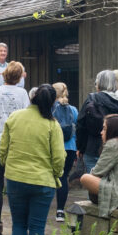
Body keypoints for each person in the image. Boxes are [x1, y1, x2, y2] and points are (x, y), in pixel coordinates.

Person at [0, 84, 65, 235]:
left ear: (33, 97)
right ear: (52, 102)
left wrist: (8, 165)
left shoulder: (15, 117)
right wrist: (56, 174)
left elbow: (3, 149)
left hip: (16, 178)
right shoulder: (52, 124)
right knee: (37, 226)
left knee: (18, 224)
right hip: (43, 181)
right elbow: (59, 158)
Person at [0, 61, 30, 235]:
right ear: (19, 77)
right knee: (16, 181)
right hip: (17, 141)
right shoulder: (23, 93)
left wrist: (0, 125)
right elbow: (27, 116)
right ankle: (19, 222)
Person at [76, 70, 118, 174]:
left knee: (94, 182)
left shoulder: (92, 99)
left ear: (99, 83)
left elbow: (81, 125)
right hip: (116, 150)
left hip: (92, 149)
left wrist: (80, 148)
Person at [52, 82, 79, 223]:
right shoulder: (73, 109)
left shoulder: (51, 109)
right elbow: (78, 128)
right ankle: (60, 212)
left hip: (55, 147)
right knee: (63, 178)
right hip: (70, 147)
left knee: (51, 177)